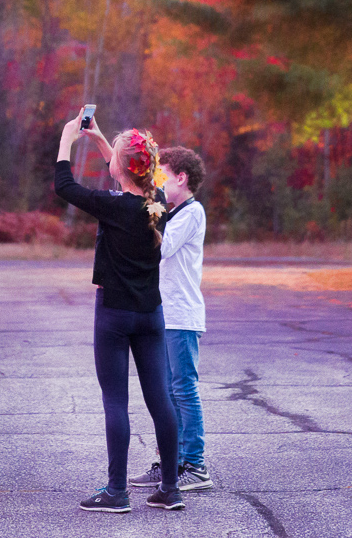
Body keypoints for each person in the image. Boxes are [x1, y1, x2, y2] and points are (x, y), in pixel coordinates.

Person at [54, 108, 183, 513]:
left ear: (122, 169)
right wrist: (99, 141)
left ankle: (116, 492)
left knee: (116, 401)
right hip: (151, 314)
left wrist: (67, 138)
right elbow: (128, 172)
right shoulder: (156, 201)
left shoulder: (112, 205)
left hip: (114, 314)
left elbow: (63, 185)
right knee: (159, 398)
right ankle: (171, 488)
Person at [130, 146, 213, 491]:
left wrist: (149, 205)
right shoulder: (176, 212)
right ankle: (171, 462)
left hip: (182, 315)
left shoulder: (192, 212)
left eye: (163, 176)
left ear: (182, 178)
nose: (158, 182)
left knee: (183, 390)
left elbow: (160, 247)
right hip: (167, 313)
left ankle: (195, 465)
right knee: (166, 392)